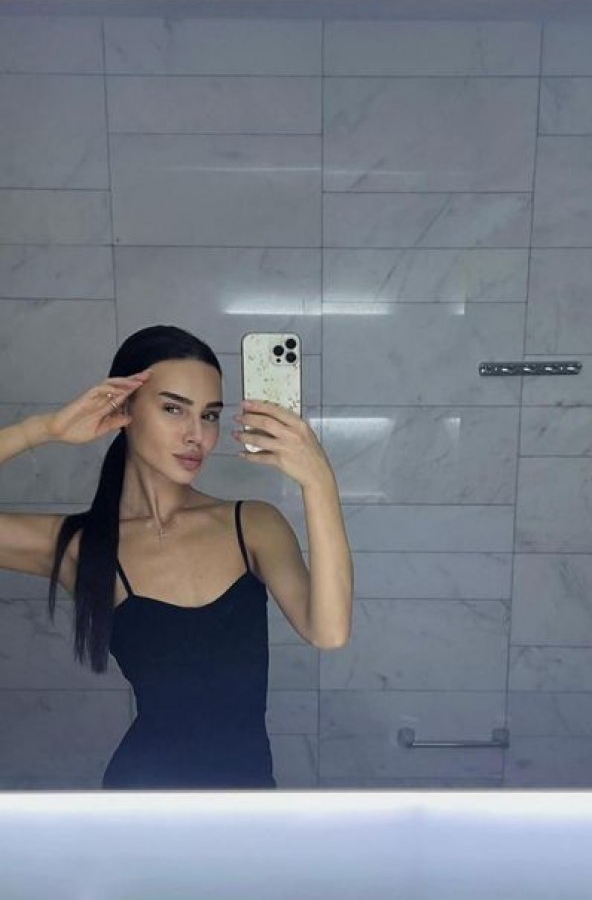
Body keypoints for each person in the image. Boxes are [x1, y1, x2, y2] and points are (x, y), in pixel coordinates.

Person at [0, 325, 353, 789]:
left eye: (209, 415)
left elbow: (328, 630)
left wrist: (319, 482)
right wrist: (44, 429)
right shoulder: (81, 545)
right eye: (173, 409)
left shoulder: (252, 525)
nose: (196, 435)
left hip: (247, 805)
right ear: (123, 409)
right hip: (140, 802)